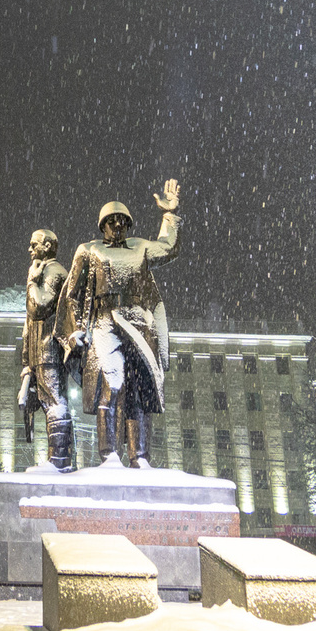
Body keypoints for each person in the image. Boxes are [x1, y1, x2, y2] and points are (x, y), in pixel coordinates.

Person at [60, 177, 181, 468]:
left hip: (138, 322)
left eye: (122, 221)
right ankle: (109, 454)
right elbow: (72, 294)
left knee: (138, 390)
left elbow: (168, 248)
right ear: (102, 226)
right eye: (111, 221)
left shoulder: (140, 247)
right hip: (105, 320)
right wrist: (75, 328)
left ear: (128, 225)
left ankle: (139, 457)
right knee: (112, 384)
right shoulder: (89, 250)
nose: (117, 226)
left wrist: (170, 214)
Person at [16, 228, 75, 472]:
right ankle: (57, 460)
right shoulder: (45, 272)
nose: (30, 250)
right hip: (39, 352)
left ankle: (60, 462)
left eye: (34, 244)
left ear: (48, 246)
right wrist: (26, 363)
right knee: (48, 402)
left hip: (49, 348)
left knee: (55, 401)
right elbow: (28, 325)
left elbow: (39, 306)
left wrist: (31, 280)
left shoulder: (55, 272)